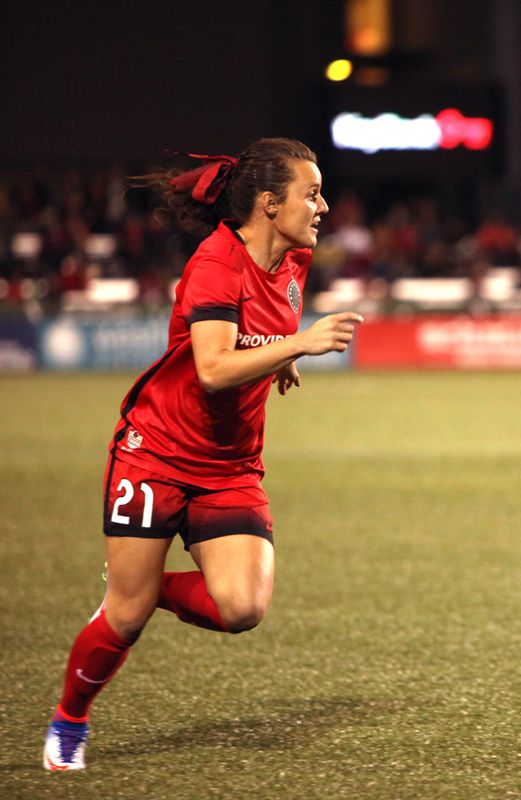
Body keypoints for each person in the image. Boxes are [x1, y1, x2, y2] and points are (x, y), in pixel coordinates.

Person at [42, 139, 362, 771]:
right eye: (311, 194)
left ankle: (144, 587)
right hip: (156, 452)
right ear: (269, 203)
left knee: (242, 608)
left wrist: (278, 359)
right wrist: (299, 344)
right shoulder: (216, 264)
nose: (322, 206)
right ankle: (69, 721)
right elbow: (213, 369)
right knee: (125, 620)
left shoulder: (296, 258)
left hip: (229, 464)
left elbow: (257, 334)